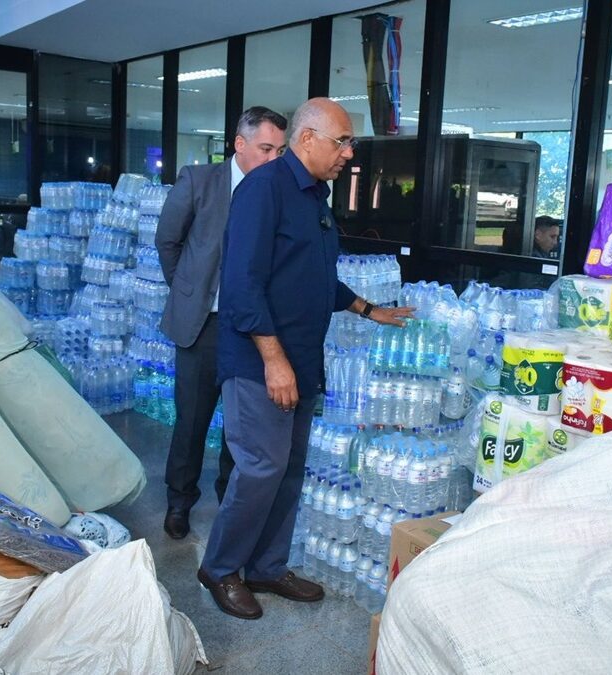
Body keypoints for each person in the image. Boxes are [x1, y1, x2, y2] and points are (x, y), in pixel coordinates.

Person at [198, 98, 412, 620]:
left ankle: (268, 567)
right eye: (342, 141)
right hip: (260, 364)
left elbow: (313, 274)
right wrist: (274, 360)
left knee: (289, 470)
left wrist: (366, 308)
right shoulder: (263, 191)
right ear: (307, 138)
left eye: (350, 142)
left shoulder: (315, 196)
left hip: (302, 361)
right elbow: (243, 285)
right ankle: (221, 568)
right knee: (260, 468)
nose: (349, 152)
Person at [156, 106, 290, 541]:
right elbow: (168, 240)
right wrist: (190, 291)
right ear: (239, 144)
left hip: (251, 330)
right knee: (192, 421)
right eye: (266, 148)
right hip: (203, 326)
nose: (273, 159)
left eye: (280, 150)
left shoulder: (277, 191)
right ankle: (179, 502)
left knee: (242, 426)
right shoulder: (199, 181)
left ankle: (229, 502)